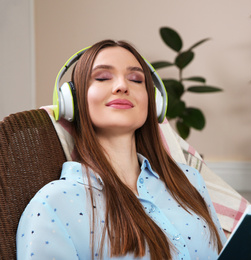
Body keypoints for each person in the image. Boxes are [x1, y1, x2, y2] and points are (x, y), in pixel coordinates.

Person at [16, 39, 226, 260]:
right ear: (72, 101)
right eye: (103, 77)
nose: (122, 86)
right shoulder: (52, 204)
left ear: (154, 101)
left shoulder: (190, 180)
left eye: (136, 79)